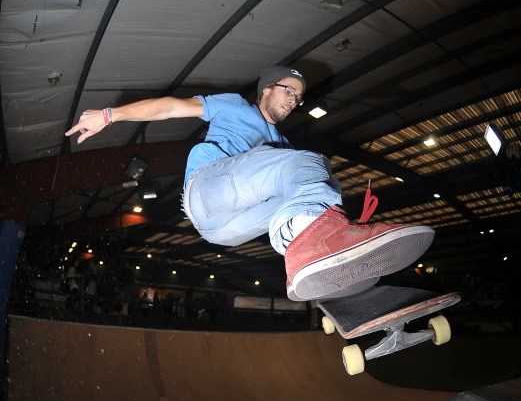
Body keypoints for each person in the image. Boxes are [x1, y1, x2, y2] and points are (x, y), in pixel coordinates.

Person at [65, 66, 434, 300]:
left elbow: (304, 185)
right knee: (311, 162)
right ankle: (318, 241)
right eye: (287, 90)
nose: (293, 101)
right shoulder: (234, 107)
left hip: (223, 230)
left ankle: (319, 263)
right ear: (266, 89)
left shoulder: (282, 150)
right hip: (207, 188)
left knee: (323, 184)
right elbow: (170, 107)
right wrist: (110, 115)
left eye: (298, 98)